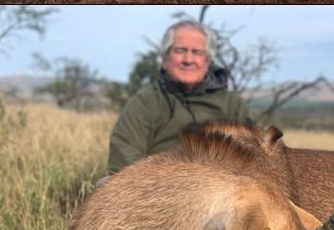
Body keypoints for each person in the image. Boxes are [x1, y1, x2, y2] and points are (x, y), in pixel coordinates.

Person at [105, 20, 252, 176]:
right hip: (158, 189)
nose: (188, 60)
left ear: (207, 61)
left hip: (219, 191)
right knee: (105, 185)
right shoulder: (145, 101)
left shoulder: (232, 104)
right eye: (180, 50)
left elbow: (252, 157)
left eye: (197, 52)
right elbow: (124, 154)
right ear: (164, 58)